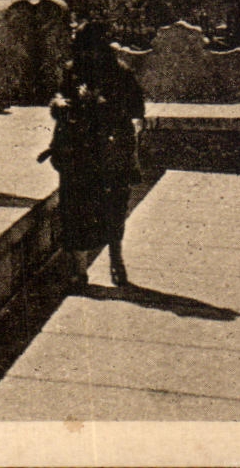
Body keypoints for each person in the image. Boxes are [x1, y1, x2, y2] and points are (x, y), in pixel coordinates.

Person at [42, 21, 144, 286]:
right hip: (76, 151)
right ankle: (79, 269)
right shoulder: (71, 70)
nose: (88, 55)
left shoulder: (120, 73)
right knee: (75, 210)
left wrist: (100, 104)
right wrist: (60, 103)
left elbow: (135, 109)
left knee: (113, 210)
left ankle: (116, 260)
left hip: (109, 152)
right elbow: (59, 97)